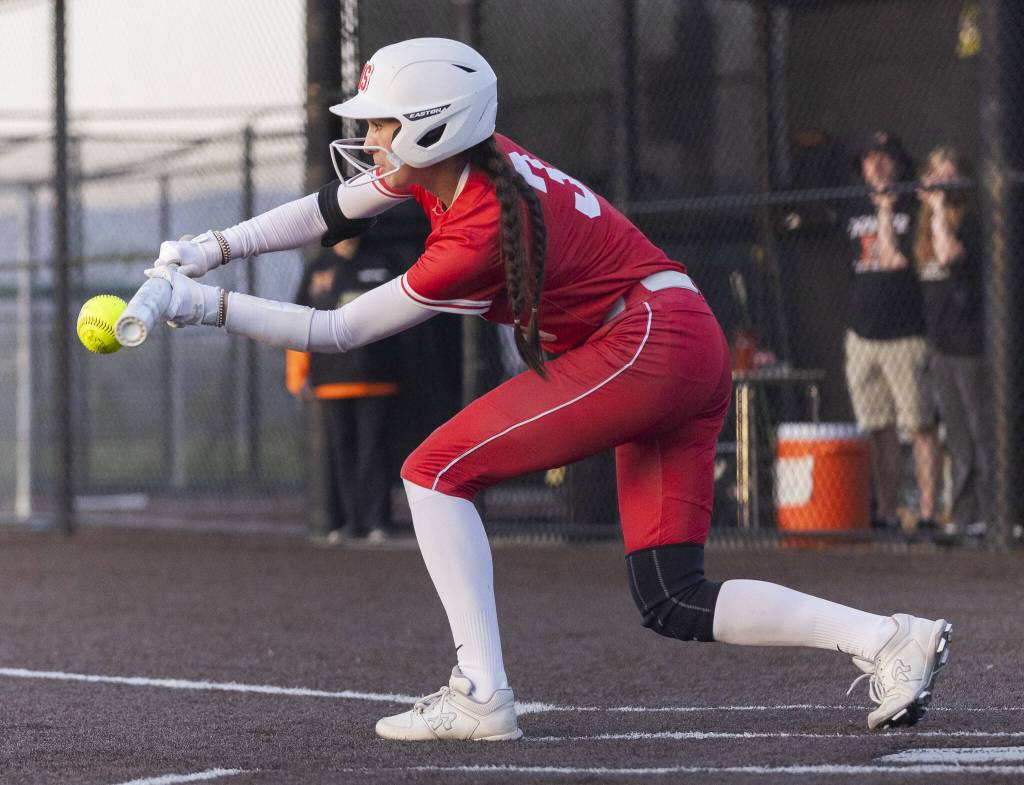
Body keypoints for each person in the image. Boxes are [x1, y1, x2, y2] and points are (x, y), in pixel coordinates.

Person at [143, 39, 952, 739]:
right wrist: (210, 246)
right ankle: (888, 638)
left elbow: (338, 332)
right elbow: (330, 210)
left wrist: (201, 304)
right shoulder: (466, 161)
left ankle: (482, 691)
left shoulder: (476, 224)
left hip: (643, 341)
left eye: (383, 120)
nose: (370, 135)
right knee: (673, 595)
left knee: (432, 470)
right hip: (671, 331)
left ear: (434, 124)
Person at [843, 131, 941, 534]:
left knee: (919, 426)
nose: (876, 165)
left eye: (883, 158)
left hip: (905, 333)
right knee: (878, 427)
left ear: (898, 163)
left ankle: (929, 514)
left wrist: (887, 211)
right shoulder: (852, 206)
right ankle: (885, 513)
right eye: (869, 158)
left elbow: (898, 262)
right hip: (862, 335)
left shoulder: (912, 205)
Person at [286, 237, 402, 543]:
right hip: (331, 380)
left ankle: (378, 521)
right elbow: (297, 322)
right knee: (342, 450)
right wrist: (297, 374)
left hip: (377, 376)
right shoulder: (318, 268)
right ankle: (349, 523)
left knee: (374, 450)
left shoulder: (383, 261)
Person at [914, 147, 992, 541]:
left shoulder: (973, 224)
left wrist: (940, 208)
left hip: (970, 344)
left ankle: (993, 515)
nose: (942, 186)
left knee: (982, 433)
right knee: (956, 436)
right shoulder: (924, 229)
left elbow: (948, 256)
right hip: (940, 345)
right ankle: (965, 517)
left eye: (950, 178)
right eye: (936, 177)